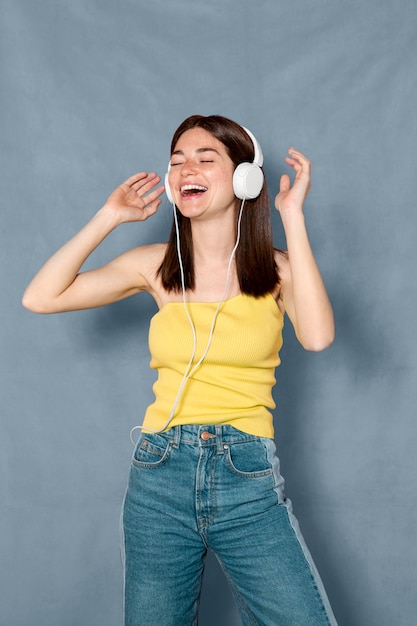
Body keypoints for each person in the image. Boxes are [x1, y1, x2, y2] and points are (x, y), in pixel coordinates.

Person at [23, 114, 337, 625]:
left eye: (204, 158)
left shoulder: (276, 271)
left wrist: (293, 217)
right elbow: (40, 297)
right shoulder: (154, 265)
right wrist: (108, 216)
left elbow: (318, 336)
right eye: (176, 161)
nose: (185, 168)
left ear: (244, 179)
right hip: (159, 472)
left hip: (245, 472)